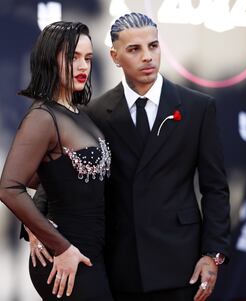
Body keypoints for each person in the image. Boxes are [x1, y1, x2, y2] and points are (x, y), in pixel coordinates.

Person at [31, 12, 231, 301]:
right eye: (134, 49)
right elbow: (58, 177)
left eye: (153, 46)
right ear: (115, 56)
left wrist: (212, 254)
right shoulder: (94, 114)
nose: (147, 57)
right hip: (119, 262)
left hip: (181, 261)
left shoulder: (198, 108)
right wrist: (36, 225)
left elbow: (215, 188)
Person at [0, 21, 113, 301]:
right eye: (72, 57)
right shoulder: (43, 117)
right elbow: (10, 189)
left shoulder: (77, 113)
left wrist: (36, 225)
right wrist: (59, 245)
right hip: (66, 259)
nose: (83, 66)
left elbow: (51, 176)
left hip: (89, 252)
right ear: (50, 61)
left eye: (87, 58)